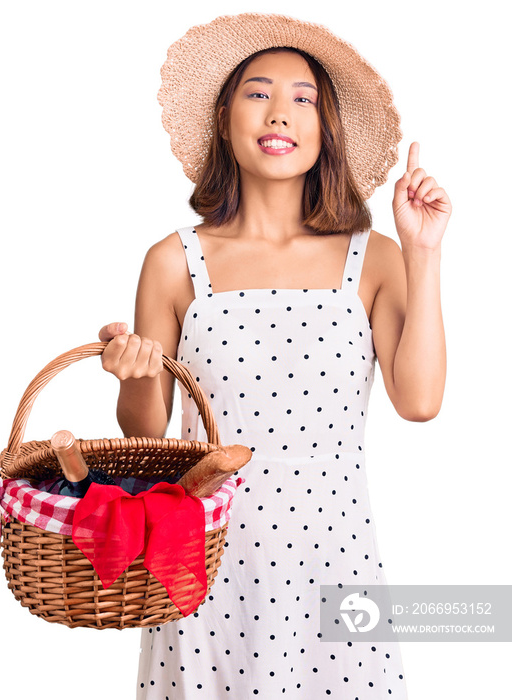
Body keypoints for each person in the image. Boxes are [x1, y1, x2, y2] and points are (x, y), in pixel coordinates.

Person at [99, 12, 450, 699]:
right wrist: (137, 374)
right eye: (258, 93)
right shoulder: (172, 262)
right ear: (225, 117)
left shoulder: (372, 258)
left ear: (324, 133)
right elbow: (147, 438)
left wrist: (424, 251)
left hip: (333, 559)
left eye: (304, 98)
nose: (280, 112)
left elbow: (419, 401)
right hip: (202, 560)